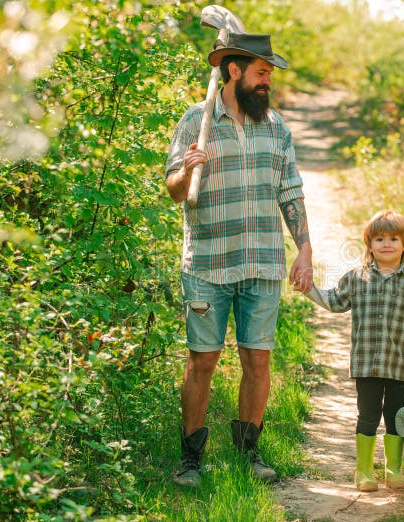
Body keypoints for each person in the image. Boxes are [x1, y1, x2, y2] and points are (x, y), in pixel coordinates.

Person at [165, 32, 313, 488]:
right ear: (234, 72)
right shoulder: (196, 121)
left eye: (269, 74)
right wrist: (188, 169)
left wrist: (304, 247)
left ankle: (250, 453)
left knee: (258, 361)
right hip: (208, 263)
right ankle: (191, 458)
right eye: (262, 73)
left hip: (263, 263)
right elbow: (173, 191)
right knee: (202, 363)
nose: (268, 81)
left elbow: (290, 190)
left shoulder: (276, 126)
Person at [299, 210, 404, 491]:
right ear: (369, 245)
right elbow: (333, 302)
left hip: (398, 366)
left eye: (394, 238)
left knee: (396, 417)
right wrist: (308, 288)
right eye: (380, 238)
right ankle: (363, 472)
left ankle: (393, 470)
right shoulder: (356, 278)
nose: (387, 244)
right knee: (368, 415)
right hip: (366, 365)